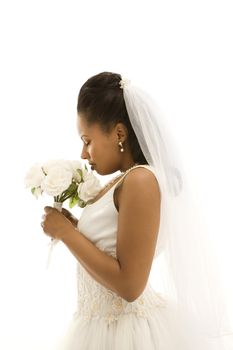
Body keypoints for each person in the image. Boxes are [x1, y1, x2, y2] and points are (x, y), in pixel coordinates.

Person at [41, 72, 233, 349]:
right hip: (99, 325)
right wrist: (72, 227)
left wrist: (67, 234)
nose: (83, 154)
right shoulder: (123, 180)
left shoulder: (141, 180)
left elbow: (130, 285)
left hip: (127, 334)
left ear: (119, 133)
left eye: (87, 140)